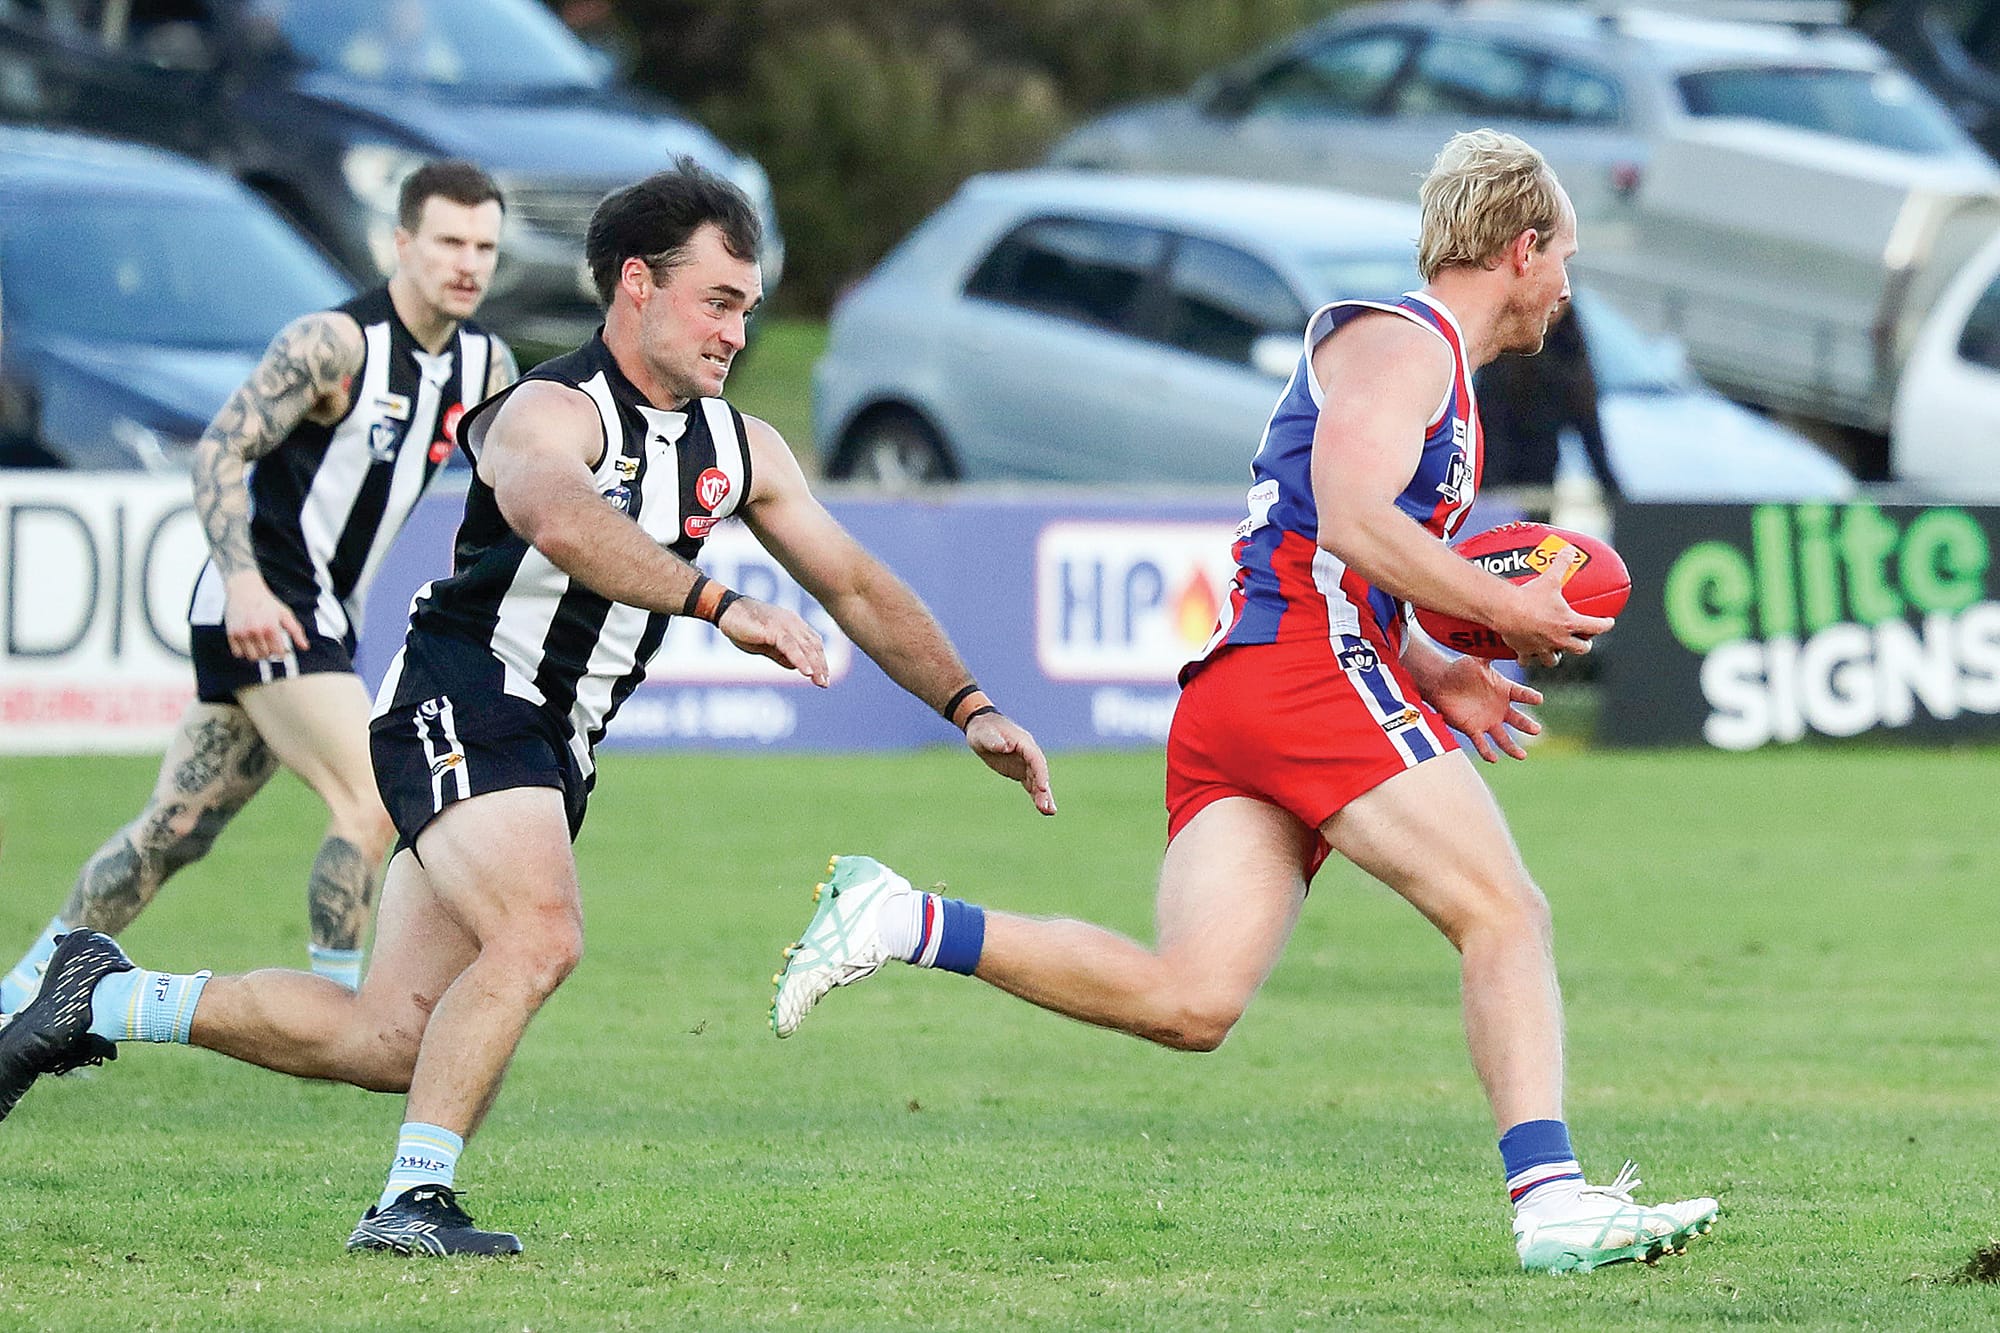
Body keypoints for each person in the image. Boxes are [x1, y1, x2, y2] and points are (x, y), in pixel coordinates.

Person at [0, 159, 1053, 1258]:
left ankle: (101, 998)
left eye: (749, 307)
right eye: (718, 302)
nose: (738, 333)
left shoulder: (739, 447)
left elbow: (855, 583)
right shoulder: (545, 408)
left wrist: (968, 703)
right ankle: (410, 1200)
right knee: (541, 932)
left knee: (392, 1035)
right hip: (463, 698)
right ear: (636, 285)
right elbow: (553, 512)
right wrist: (713, 600)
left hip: (551, 748)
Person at [770, 130, 1718, 1276]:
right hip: (1302, 674)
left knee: (1190, 1000)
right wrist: (1496, 609)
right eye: (1564, 254)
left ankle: (897, 918)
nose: (1567, 286)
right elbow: (1353, 514)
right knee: (1502, 911)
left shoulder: (1425, 370)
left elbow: (1326, 550)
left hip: (1251, 684)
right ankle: (1550, 1197)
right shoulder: (1404, 345)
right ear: (1521, 248)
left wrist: (1437, 664)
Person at [0, 160, 511, 1011]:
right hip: (264, 598)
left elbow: (509, 490)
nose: (469, 262)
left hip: (323, 619)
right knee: (373, 797)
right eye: (449, 241)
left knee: (174, 829)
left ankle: (21, 997)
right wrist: (242, 585)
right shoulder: (335, 344)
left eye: (485, 246)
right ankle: (341, 1015)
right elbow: (219, 450)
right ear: (401, 243)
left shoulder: (484, 364)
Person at [1475, 301, 1623, 501]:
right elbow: (1488, 421)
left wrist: (1614, 494)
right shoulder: (1501, 354)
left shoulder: (1570, 360)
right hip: (1493, 483)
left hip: (1540, 484)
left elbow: (1590, 430)